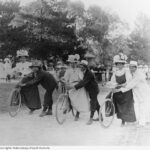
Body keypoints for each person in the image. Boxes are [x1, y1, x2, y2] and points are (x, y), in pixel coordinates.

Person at [106, 52, 136, 126]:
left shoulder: (126, 71)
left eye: (121, 64)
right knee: (108, 97)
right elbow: (113, 81)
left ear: (123, 64)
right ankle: (109, 111)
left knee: (124, 106)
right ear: (116, 64)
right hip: (117, 89)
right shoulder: (115, 72)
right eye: (118, 64)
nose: (119, 65)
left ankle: (123, 121)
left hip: (125, 91)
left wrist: (122, 85)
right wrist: (110, 84)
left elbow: (129, 82)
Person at [69, 60, 100, 125]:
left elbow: (83, 82)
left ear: (85, 67)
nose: (80, 67)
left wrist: (74, 87)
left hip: (93, 90)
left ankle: (91, 119)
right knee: (96, 103)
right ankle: (101, 117)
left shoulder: (89, 73)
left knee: (93, 103)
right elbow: (82, 81)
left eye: (82, 66)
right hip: (90, 89)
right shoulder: (84, 72)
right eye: (80, 66)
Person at [120, 61, 150, 127]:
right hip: (140, 93)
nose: (131, 69)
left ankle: (142, 123)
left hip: (143, 93)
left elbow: (131, 85)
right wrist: (121, 85)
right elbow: (129, 82)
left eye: (132, 67)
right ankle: (146, 120)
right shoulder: (133, 73)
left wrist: (121, 89)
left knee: (142, 107)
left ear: (136, 67)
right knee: (143, 106)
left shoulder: (138, 74)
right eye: (130, 67)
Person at [62, 55, 90, 121]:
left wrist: (77, 84)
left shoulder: (79, 70)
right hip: (71, 85)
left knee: (79, 99)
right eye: (71, 63)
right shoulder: (68, 70)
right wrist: (64, 81)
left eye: (74, 63)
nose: (72, 64)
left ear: (76, 63)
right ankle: (68, 106)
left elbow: (82, 79)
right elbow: (66, 78)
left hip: (78, 86)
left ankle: (77, 113)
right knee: (68, 94)